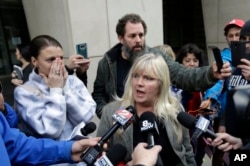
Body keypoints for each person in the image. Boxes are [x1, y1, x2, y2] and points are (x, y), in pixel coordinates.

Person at [92, 13, 232, 118]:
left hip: (153, 123)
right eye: (132, 36)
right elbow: (99, 95)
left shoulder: (157, 58)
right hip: (121, 130)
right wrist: (108, 117)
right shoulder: (107, 63)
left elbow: (183, 75)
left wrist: (210, 73)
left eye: (141, 35)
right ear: (121, 38)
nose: (138, 40)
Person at [97, 53, 196, 165]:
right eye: (135, 76)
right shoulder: (110, 112)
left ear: (161, 83)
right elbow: (100, 154)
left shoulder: (175, 109)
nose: (139, 83)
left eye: (148, 78)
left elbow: (187, 152)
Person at [14, 35, 96, 142]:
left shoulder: (72, 81)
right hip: (54, 157)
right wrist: (56, 91)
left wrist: (65, 88)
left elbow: (86, 117)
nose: (58, 64)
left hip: (83, 148)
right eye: (51, 60)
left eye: (61, 58)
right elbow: (49, 130)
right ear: (35, 61)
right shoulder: (23, 91)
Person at [200, 19, 245, 166]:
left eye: (238, 35)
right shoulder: (225, 58)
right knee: (222, 155)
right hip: (227, 118)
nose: (234, 39)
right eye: (230, 36)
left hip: (247, 119)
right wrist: (210, 99)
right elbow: (218, 82)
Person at [0, 111, 100, 166]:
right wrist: (55, 91)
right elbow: (51, 129)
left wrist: (69, 149)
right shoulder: (24, 91)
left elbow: (17, 147)